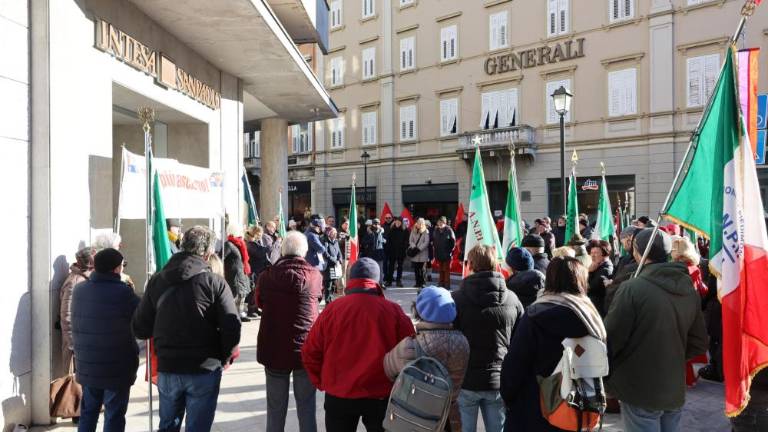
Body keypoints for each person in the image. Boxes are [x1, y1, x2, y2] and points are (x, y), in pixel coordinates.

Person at [132, 226, 242, 431]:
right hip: (204, 367)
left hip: (169, 366)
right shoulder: (214, 282)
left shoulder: (157, 280)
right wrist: (224, 356)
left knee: (168, 426)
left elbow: (140, 328)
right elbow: (231, 327)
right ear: (208, 253)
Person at [605, 228, 708, 432]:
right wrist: (671, 357)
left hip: (638, 385)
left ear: (637, 252)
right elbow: (698, 342)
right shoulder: (688, 288)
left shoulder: (632, 288)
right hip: (672, 385)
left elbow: (611, 340)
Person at [302, 258, 415, 431]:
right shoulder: (393, 310)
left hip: (339, 393)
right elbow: (411, 350)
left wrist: (322, 381)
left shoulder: (332, 309)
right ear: (377, 281)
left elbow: (310, 351)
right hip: (380, 393)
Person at [500, 256, 606, 431]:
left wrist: (508, 396)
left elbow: (515, 364)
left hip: (532, 407)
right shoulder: (592, 317)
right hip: (576, 409)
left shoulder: (535, 314)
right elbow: (604, 361)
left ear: (550, 279)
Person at [452, 244, 524, 432]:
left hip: (466, 380)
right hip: (498, 379)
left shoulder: (456, 299)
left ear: (471, 265)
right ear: (495, 265)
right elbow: (520, 341)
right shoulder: (513, 299)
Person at [255, 231, 322, 432]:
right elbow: (317, 300)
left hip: (274, 348)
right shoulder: (315, 276)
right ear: (304, 252)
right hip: (305, 349)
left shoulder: (266, 276)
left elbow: (259, 302)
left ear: (282, 251)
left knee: (275, 408)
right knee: (307, 406)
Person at [72, 248, 140, 432]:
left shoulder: (79, 290)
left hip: (88, 364)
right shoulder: (123, 293)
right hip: (116, 367)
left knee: (88, 412)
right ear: (116, 269)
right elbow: (141, 319)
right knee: (114, 414)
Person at [384, 286, 470, 431]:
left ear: (419, 311)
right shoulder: (463, 343)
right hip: (448, 417)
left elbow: (388, 369)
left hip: (414, 417)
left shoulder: (410, 345)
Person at [670, 235, 710, 386]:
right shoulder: (694, 266)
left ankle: (686, 378)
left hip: (681, 308)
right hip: (693, 308)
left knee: (681, 345)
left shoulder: (680, 268)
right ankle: (690, 377)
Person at [59, 246, 95, 373]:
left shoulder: (89, 278)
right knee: (74, 388)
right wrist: (74, 345)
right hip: (76, 347)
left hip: (87, 343)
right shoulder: (74, 282)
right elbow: (66, 316)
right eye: (93, 260)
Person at [224, 223, 252, 322]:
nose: (243, 232)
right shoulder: (228, 244)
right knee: (235, 295)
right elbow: (221, 258)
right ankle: (233, 314)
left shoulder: (240, 243)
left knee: (242, 295)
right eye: (241, 230)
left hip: (242, 273)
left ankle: (240, 313)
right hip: (233, 274)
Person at [587, 239, 614, 317]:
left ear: (605, 254)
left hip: (599, 310)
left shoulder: (606, 269)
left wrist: (589, 272)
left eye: (596, 253)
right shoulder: (596, 265)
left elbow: (591, 287)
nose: (592, 255)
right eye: (591, 253)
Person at [433, 216, 456, 289]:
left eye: (441, 222)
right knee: (440, 270)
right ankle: (440, 284)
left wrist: (449, 251)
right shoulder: (436, 230)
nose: (440, 224)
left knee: (446, 270)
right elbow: (434, 241)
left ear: (444, 223)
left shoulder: (449, 230)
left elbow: (453, 242)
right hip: (439, 253)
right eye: (439, 222)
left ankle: (446, 285)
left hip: (446, 254)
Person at [384, 216, 408, 287]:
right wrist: (389, 249)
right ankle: (389, 281)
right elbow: (388, 240)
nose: (397, 223)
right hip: (392, 251)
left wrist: (403, 247)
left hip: (401, 251)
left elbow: (406, 241)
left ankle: (399, 281)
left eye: (399, 222)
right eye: (396, 221)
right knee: (391, 267)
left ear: (401, 223)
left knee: (400, 267)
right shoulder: (391, 230)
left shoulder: (405, 230)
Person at [321, 227, 343, 303]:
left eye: (336, 232)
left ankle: (331, 300)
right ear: (329, 233)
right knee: (328, 286)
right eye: (334, 232)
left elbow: (339, 252)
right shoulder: (325, 241)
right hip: (328, 266)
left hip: (336, 266)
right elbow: (325, 254)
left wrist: (340, 260)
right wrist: (334, 261)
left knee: (334, 284)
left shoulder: (336, 241)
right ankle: (327, 302)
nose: (335, 234)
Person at [409, 218, 431, 288]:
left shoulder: (426, 231)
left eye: (421, 223)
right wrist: (414, 247)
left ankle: (423, 283)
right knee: (416, 269)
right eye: (418, 223)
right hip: (415, 253)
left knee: (423, 269)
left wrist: (419, 248)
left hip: (422, 253)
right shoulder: (413, 230)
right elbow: (410, 240)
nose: (419, 224)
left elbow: (426, 242)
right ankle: (417, 283)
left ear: (423, 224)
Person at [370, 218, 386, 284]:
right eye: (375, 223)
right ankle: (373, 283)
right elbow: (365, 241)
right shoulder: (369, 231)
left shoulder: (382, 232)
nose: (376, 225)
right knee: (372, 270)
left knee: (380, 269)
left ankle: (381, 283)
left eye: (378, 223)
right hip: (371, 253)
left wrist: (381, 239)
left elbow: (385, 240)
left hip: (379, 253)